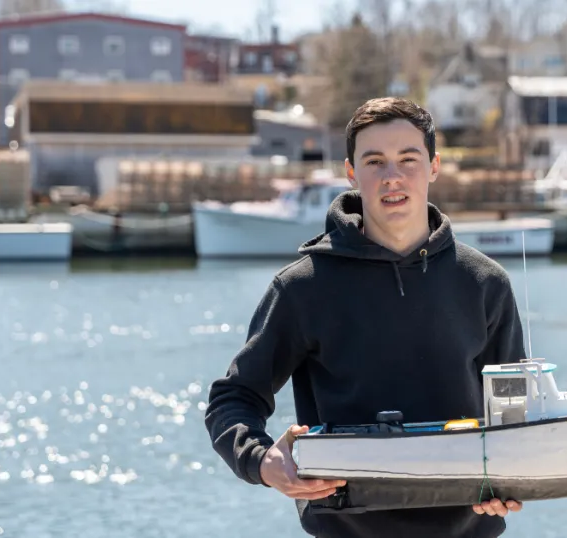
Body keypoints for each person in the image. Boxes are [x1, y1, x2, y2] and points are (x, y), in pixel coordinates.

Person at [204, 97, 528, 538]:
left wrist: (514, 479)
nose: (392, 176)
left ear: (434, 166)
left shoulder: (486, 284)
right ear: (352, 172)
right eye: (374, 161)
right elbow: (233, 398)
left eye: (408, 160)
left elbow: (514, 418)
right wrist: (262, 461)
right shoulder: (303, 287)